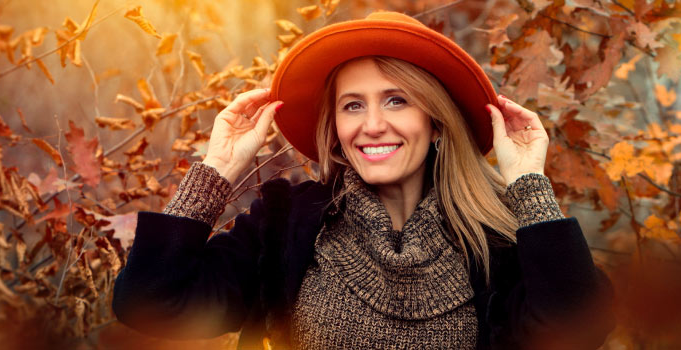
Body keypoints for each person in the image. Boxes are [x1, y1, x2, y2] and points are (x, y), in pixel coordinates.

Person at [113, 11, 614, 350]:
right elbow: (151, 302)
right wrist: (216, 170)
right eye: (353, 105)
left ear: (435, 120)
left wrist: (528, 184)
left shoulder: (497, 242)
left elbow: (578, 327)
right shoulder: (286, 223)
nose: (372, 124)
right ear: (335, 126)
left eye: (397, 100)